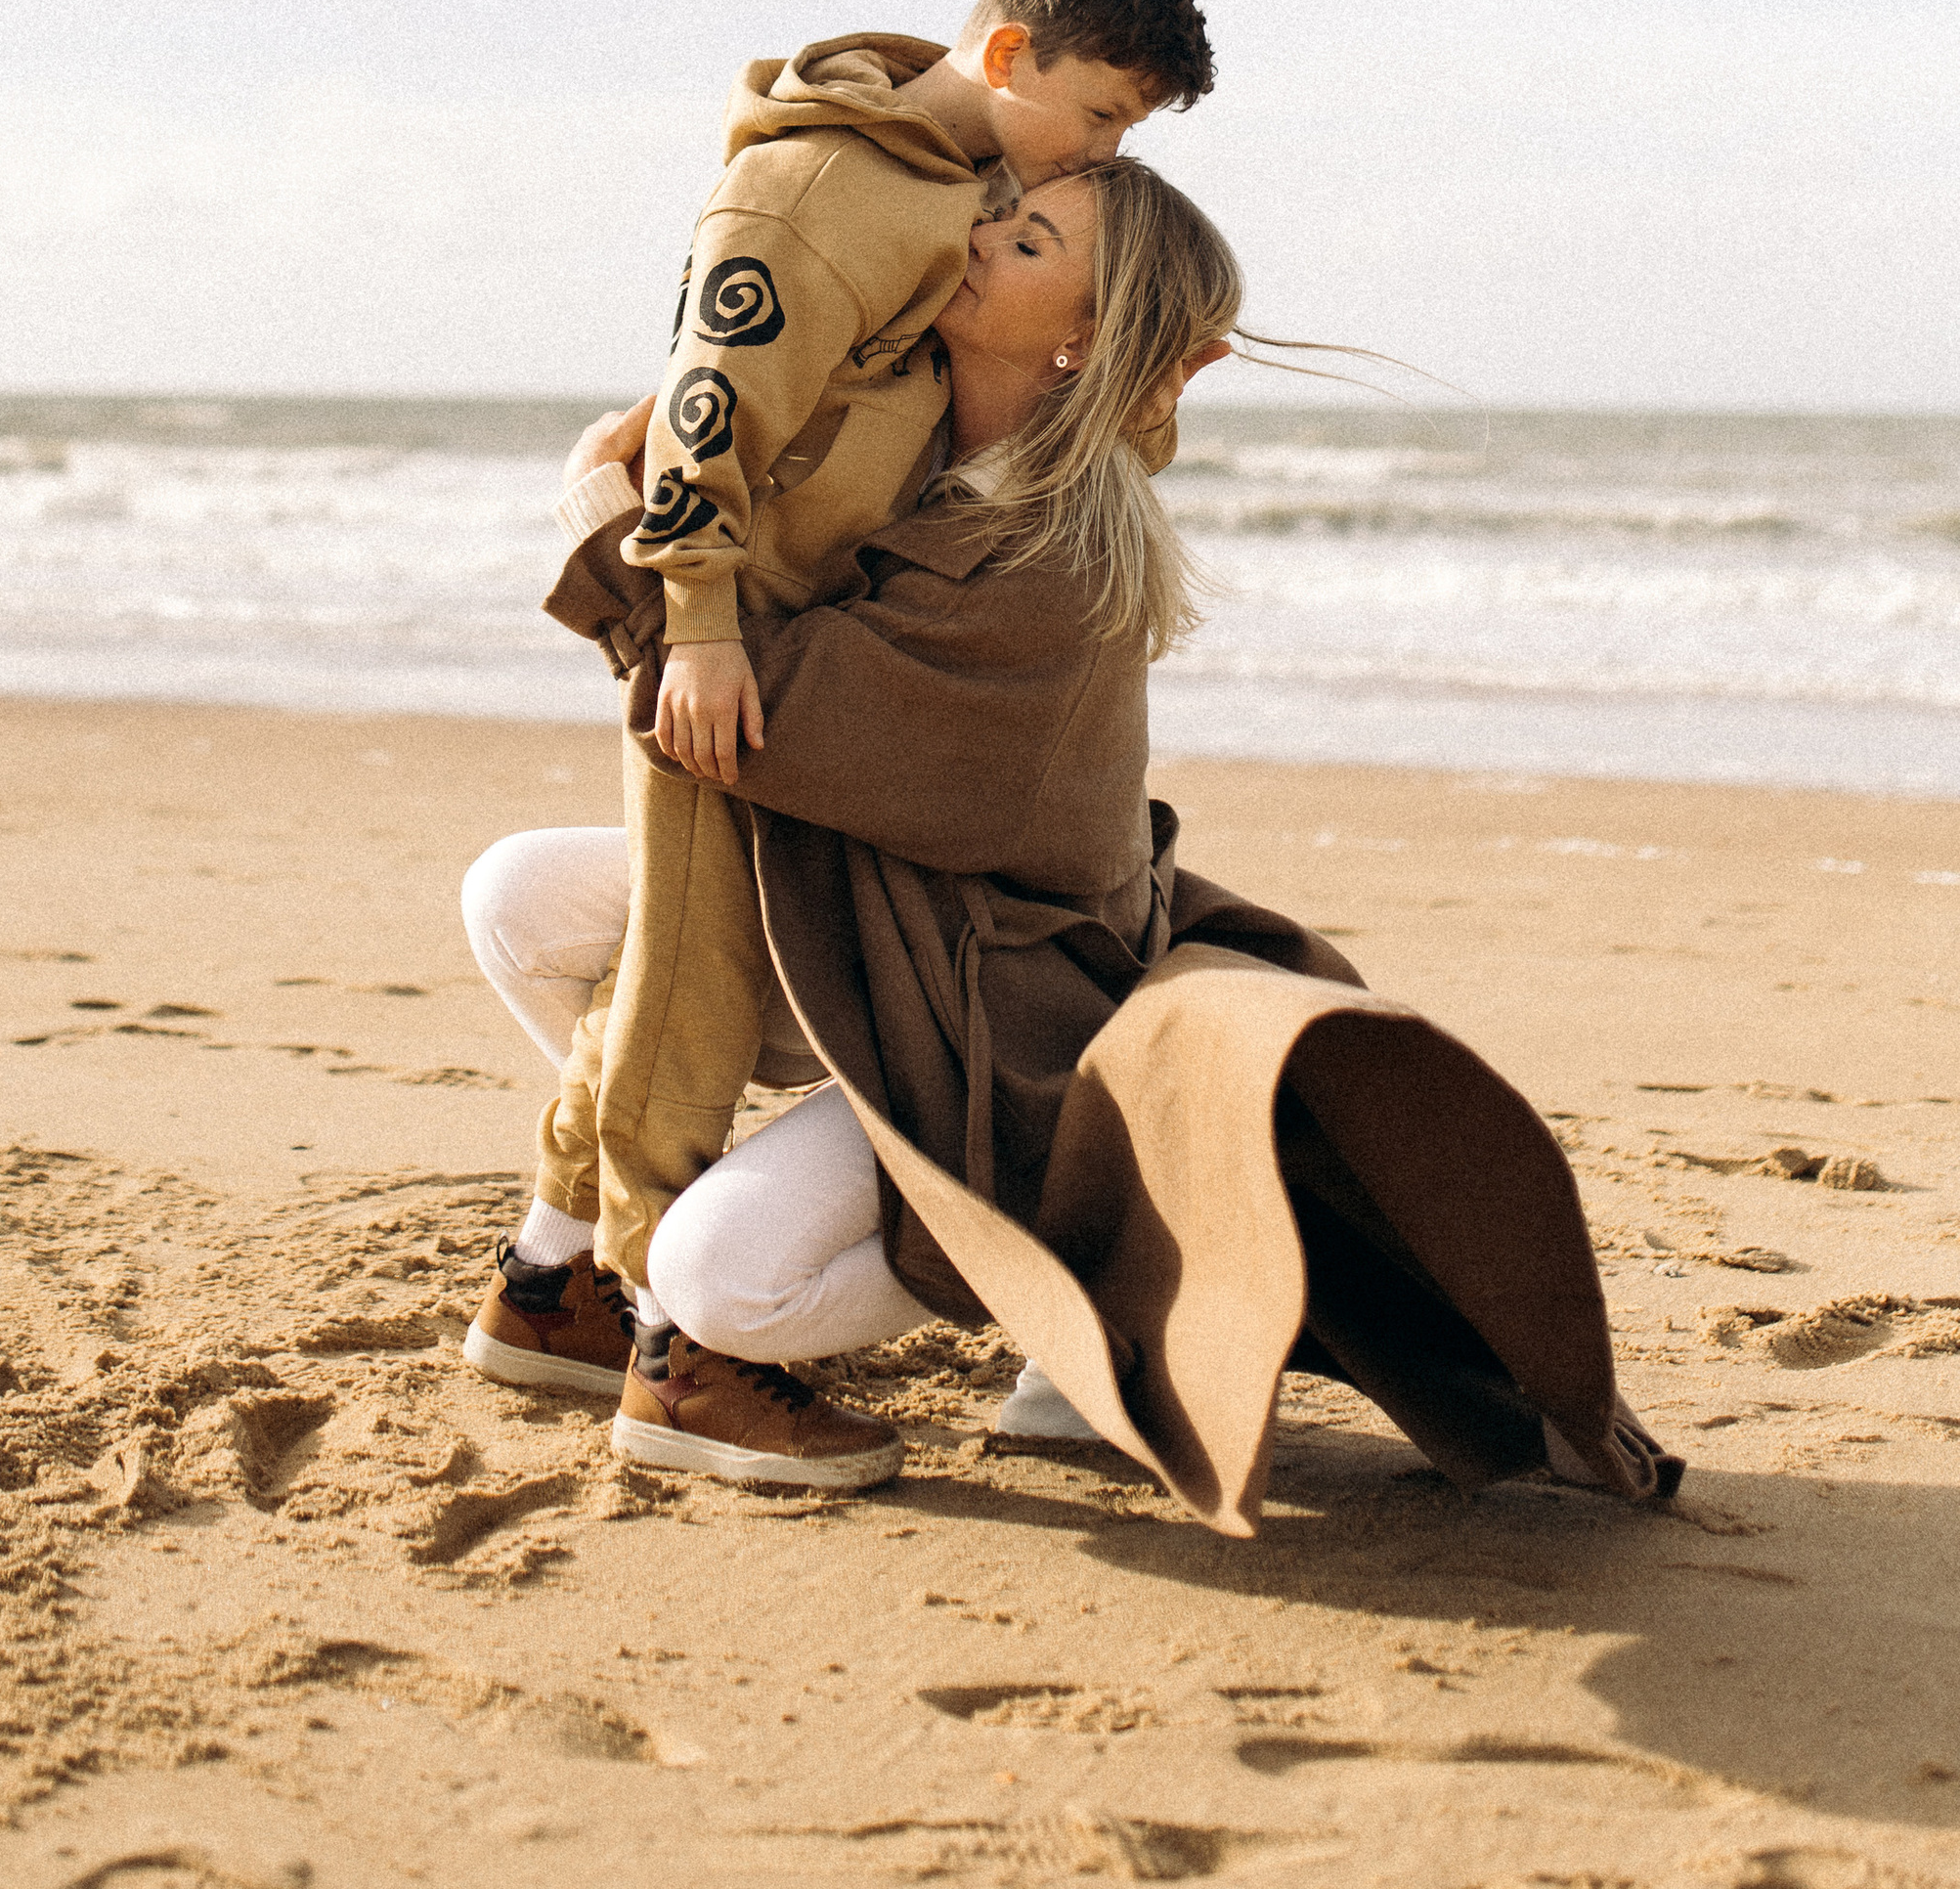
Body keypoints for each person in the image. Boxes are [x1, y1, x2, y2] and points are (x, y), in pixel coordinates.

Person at [465, 160, 1683, 1525]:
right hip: (856, 925)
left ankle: (1065, 1275)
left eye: (1027, 233)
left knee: (716, 1279)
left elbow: (743, 718)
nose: (978, 236)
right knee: (516, 896)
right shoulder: (903, 441)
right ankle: (567, 1281)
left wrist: (602, 507)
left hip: (990, 1032)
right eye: (999, 211)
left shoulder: (1058, 566)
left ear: (1085, 333)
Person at [468, 0, 1215, 1440]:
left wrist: (618, 530)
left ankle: (656, 1309)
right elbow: (732, 391)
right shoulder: (855, 208)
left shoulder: (1053, 539)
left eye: (1041, 227)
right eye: (1091, 125)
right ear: (1008, 52)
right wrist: (693, 586)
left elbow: (1076, 369)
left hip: (970, 993)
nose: (1084, 169)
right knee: (599, 937)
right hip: (794, 779)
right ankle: (588, 1289)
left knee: (680, 1012)